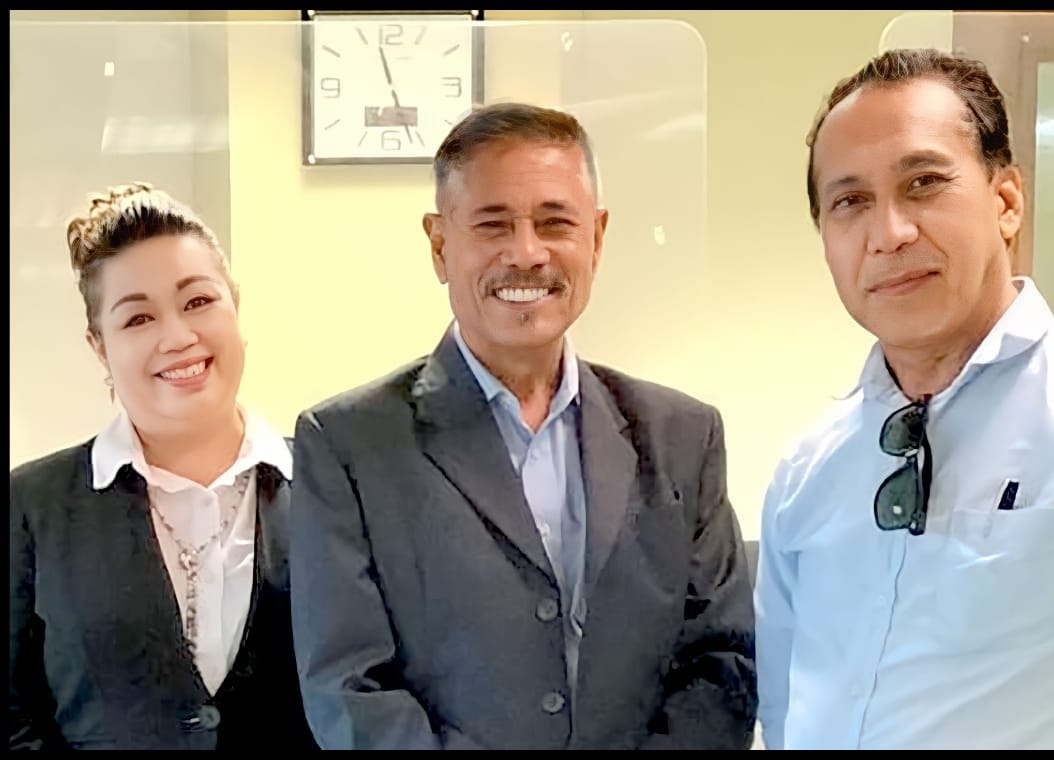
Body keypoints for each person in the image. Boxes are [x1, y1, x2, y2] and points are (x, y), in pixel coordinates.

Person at [289, 102, 757, 750]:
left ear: (596, 238)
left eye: (554, 222)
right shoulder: (348, 446)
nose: (527, 253)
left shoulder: (681, 437)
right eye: (493, 224)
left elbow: (721, 666)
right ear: (439, 244)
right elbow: (350, 692)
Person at [754, 48, 1054, 750]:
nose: (889, 235)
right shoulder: (806, 471)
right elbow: (786, 708)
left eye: (923, 183)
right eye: (850, 202)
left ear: (1005, 202)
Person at [9, 183, 318, 750]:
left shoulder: (332, 484)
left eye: (198, 302)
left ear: (235, 306)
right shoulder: (29, 508)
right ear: (99, 347)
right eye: (137, 319)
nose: (177, 337)